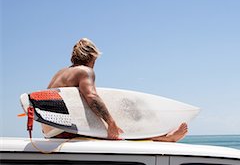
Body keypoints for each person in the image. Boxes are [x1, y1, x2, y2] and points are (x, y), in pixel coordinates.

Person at [44, 38, 188, 142]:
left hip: (50, 130)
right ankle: (162, 138)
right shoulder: (85, 71)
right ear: (92, 57)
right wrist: (111, 124)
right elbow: (92, 97)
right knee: (121, 134)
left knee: (116, 132)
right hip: (65, 131)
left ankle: (161, 138)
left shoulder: (60, 73)